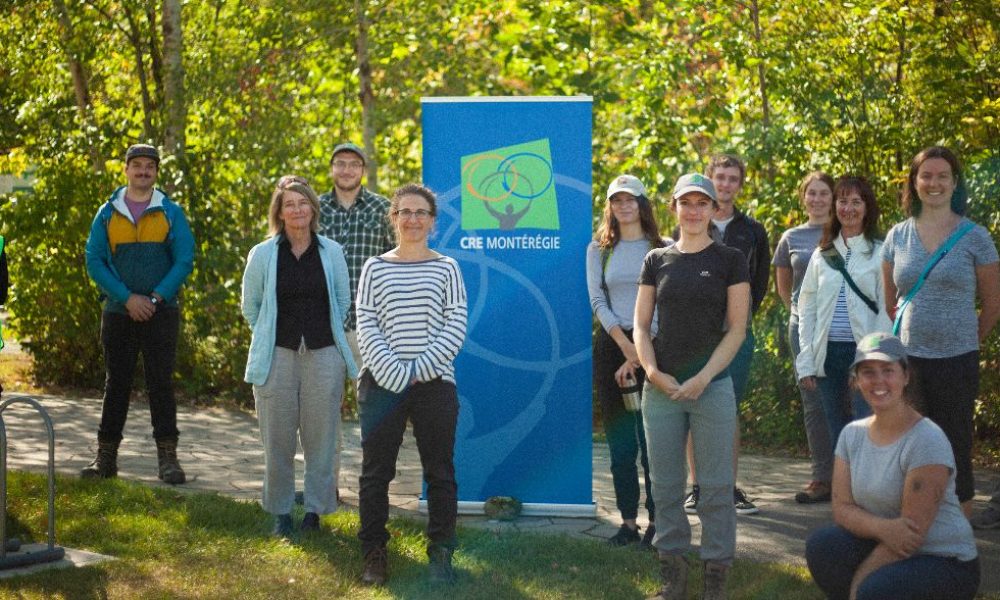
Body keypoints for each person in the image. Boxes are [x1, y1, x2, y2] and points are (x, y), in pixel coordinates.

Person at [636, 173, 750, 599]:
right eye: (686, 203)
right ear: (674, 208)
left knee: (716, 488)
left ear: (714, 209)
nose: (694, 210)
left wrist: (704, 377)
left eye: (703, 203)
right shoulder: (656, 260)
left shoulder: (730, 259)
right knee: (665, 487)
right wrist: (652, 372)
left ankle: (716, 574)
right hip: (662, 390)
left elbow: (737, 329)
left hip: (712, 387)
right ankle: (673, 575)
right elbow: (641, 326)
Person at [806, 332, 980, 600]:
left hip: (945, 561)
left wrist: (859, 585)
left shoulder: (927, 439)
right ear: (856, 381)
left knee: (873, 591)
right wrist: (882, 528)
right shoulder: (851, 435)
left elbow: (910, 536)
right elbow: (842, 509)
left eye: (888, 370)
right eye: (868, 372)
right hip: (886, 540)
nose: (879, 381)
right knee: (823, 546)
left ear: (905, 376)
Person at [356, 184, 467, 586]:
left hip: (434, 384)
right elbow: (366, 325)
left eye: (421, 212)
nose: (413, 219)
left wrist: (418, 369)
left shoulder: (447, 268)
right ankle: (373, 553)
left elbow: (456, 325)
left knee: (440, 472)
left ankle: (441, 553)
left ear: (433, 222)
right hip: (381, 384)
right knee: (375, 473)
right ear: (394, 218)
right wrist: (396, 374)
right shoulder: (375, 268)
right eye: (405, 212)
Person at [881, 146, 1000, 516]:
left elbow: (993, 302)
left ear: (954, 182)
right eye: (926, 176)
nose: (934, 183)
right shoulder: (897, 236)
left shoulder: (975, 236)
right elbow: (891, 302)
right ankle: (914, 527)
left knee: (954, 446)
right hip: (908, 363)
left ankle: (957, 533)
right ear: (914, 183)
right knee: (911, 446)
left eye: (942, 176)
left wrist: (967, 341)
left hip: (956, 361)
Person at [241, 175, 358, 538]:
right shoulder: (263, 254)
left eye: (303, 202)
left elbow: (343, 300)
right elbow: (251, 306)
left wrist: (320, 333)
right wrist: (269, 335)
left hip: (324, 356)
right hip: (276, 356)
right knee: (277, 440)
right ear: (279, 212)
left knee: (321, 440)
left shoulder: (331, 251)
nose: (297, 210)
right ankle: (280, 511)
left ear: (313, 208)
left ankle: (314, 511)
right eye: (289, 204)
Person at [82, 144, 194, 484]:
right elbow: (94, 260)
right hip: (118, 312)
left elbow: (184, 260)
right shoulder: (107, 213)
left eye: (149, 166)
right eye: (137, 165)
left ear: (156, 171)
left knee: (161, 384)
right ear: (126, 169)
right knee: (116, 384)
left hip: (162, 312)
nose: (143, 171)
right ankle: (105, 458)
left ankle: (168, 459)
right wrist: (127, 298)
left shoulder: (170, 212)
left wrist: (156, 298)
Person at [676, 154, 769, 516]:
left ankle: (728, 488)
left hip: (735, 337)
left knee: (727, 410)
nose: (726, 184)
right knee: (691, 405)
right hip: (692, 336)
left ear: (740, 185)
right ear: (710, 181)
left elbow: (759, 285)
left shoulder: (753, 231)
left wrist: (737, 324)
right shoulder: (689, 223)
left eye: (733, 178)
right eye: (720, 177)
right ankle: (698, 487)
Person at [586, 174, 668, 549]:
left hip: (654, 346)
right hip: (612, 346)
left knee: (652, 442)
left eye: (630, 199)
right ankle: (628, 523)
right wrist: (625, 347)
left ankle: (657, 523)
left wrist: (640, 350)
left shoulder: (663, 248)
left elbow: (666, 302)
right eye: (616, 200)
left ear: (642, 203)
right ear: (610, 207)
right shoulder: (599, 249)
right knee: (621, 443)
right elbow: (597, 301)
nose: (624, 206)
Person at [797, 177, 891, 452]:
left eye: (856, 202)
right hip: (827, 354)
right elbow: (807, 309)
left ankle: (868, 481)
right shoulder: (822, 254)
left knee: (867, 426)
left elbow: (886, 310)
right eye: (843, 201)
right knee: (837, 431)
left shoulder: (880, 252)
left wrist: (868, 359)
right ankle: (844, 480)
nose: (848, 208)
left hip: (863, 353)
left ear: (867, 207)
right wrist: (806, 360)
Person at [773, 172, 835, 504]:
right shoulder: (791, 238)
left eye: (824, 193)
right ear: (803, 197)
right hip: (803, 330)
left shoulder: (845, 232)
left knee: (849, 399)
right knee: (814, 404)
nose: (817, 199)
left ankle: (853, 479)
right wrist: (799, 316)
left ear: (833, 198)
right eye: (812, 193)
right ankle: (822, 478)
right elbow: (784, 286)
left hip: (842, 328)